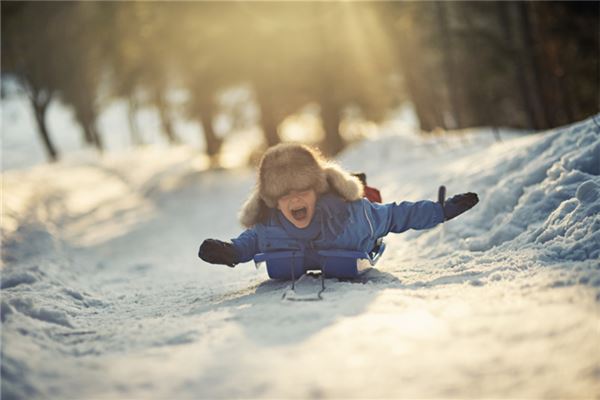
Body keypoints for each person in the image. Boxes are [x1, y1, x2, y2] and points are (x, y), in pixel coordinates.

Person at [198, 143, 478, 268]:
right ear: (273, 202)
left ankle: (361, 185)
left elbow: (398, 215)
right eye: (285, 195)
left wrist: (442, 210)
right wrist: (231, 252)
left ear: (317, 191)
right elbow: (250, 242)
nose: (295, 200)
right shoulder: (270, 225)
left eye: (302, 191)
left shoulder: (354, 218)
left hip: (354, 228)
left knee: (369, 199)